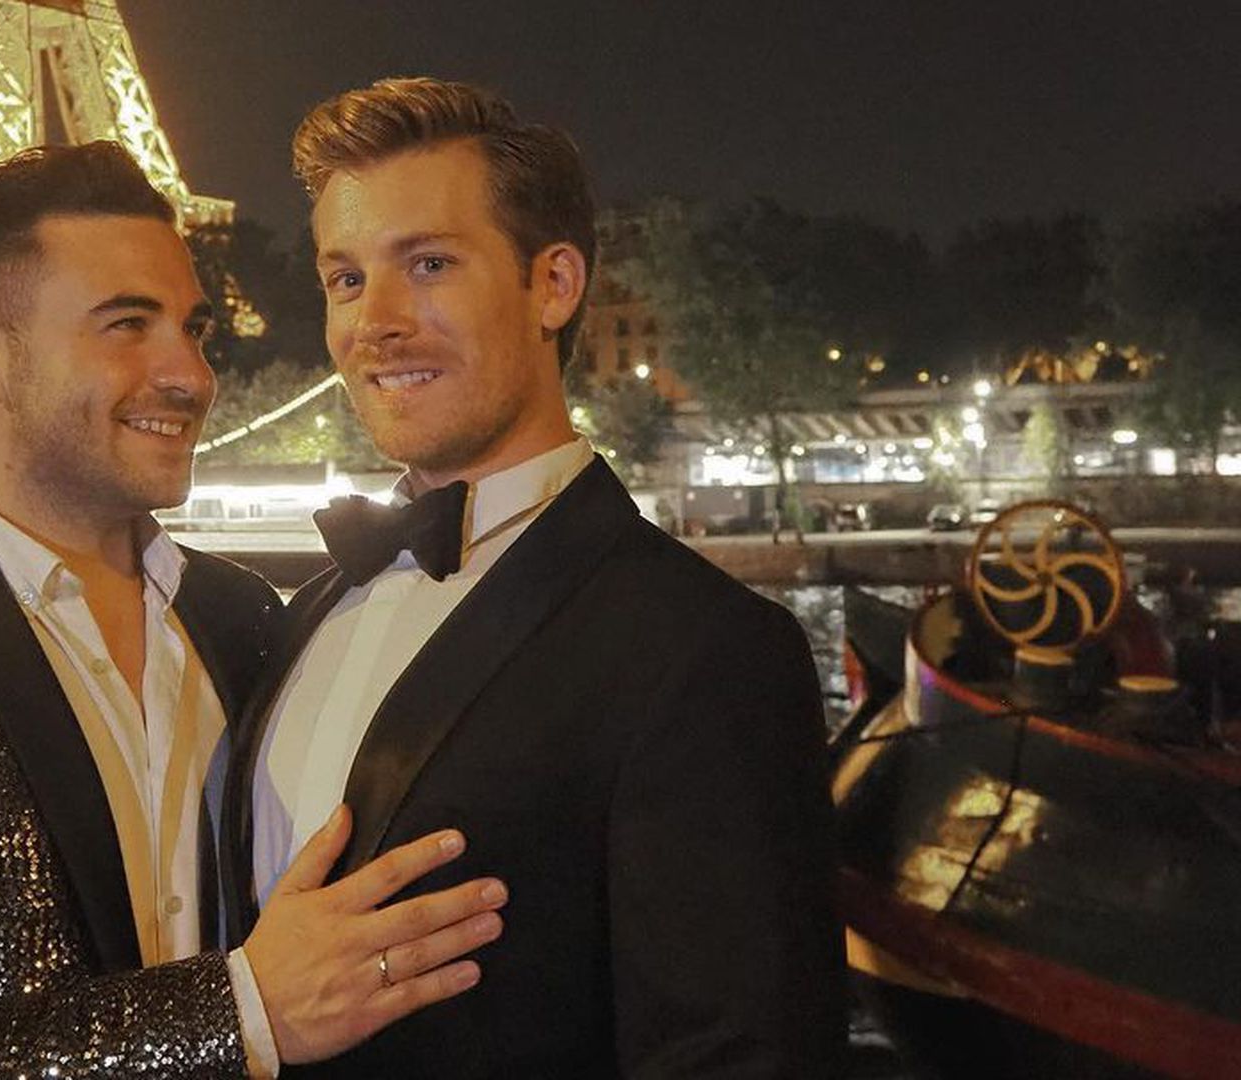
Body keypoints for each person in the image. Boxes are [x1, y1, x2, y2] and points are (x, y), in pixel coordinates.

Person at [0, 142, 508, 1079]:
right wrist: (237, 1012)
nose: (191, 375)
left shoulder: (245, 619)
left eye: (193, 328)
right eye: (127, 325)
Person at [221, 79, 845, 1076]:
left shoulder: (707, 649)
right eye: (345, 278)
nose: (375, 320)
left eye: (428, 264)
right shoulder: (307, 615)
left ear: (553, 285)